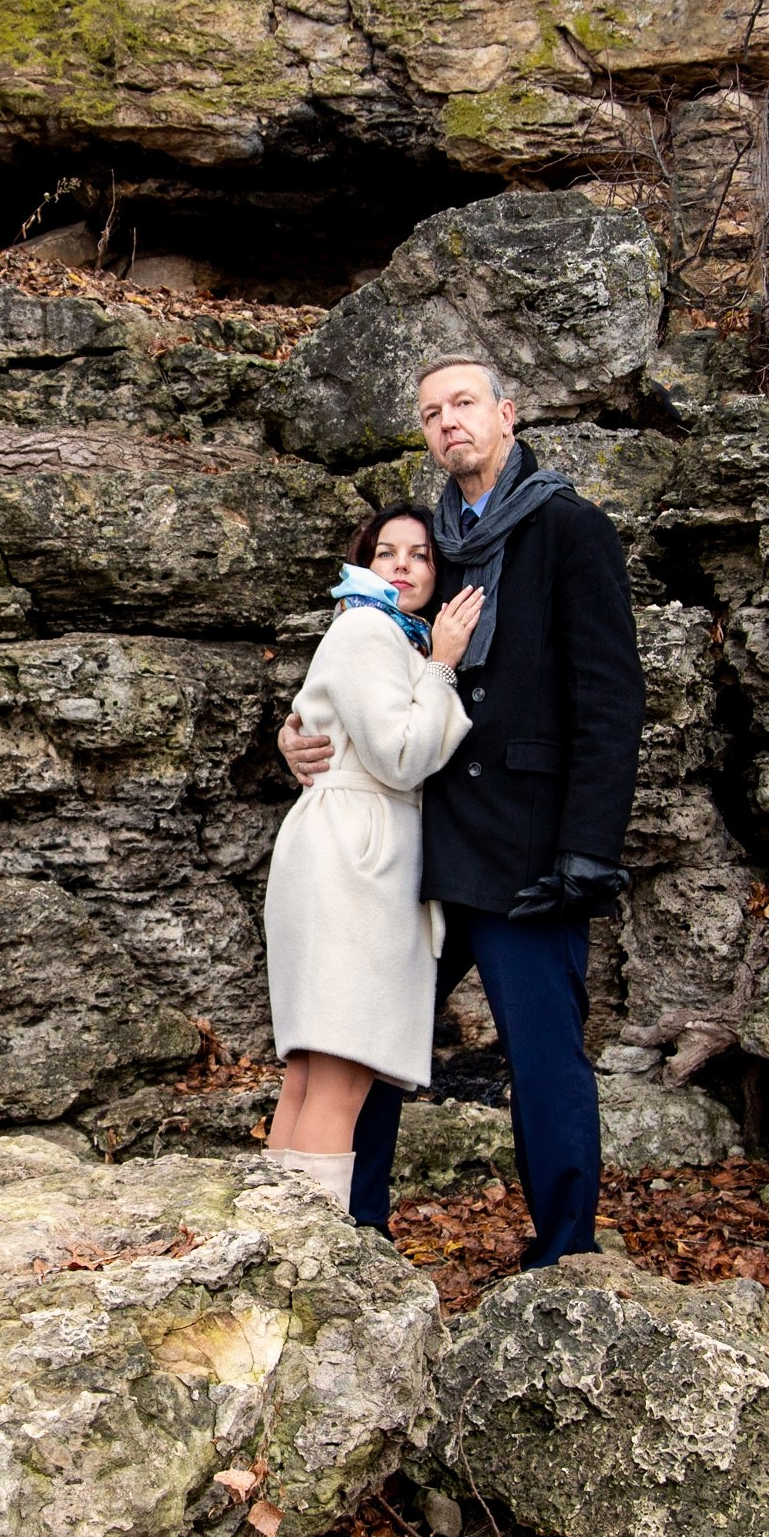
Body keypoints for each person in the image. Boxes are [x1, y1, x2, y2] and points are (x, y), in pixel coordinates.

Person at [278, 355, 644, 1266]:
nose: (449, 423)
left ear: (507, 415)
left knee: (546, 1063)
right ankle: (352, 1239)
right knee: (372, 1048)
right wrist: (297, 732)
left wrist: (588, 847)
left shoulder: (569, 527)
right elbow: (377, 677)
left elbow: (610, 696)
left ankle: (565, 1256)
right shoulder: (430, 545)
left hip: (528, 856)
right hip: (423, 857)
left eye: (465, 404)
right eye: (432, 412)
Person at [262, 505, 482, 1212]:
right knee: (340, 1077)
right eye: (386, 551)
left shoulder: (379, 634)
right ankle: (309, 1268)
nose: (402, 564)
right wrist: (443, 664)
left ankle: (269, 1247)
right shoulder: (368, 627)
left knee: (311, 1073)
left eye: (420, 554)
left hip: (340, 849)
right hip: (356, 862)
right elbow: (401, 754)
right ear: (365, 562)